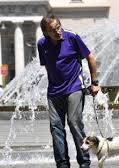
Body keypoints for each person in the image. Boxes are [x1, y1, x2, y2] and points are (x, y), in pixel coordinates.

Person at [37, 14, 100, 168]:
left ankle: (84, 163)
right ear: (46, 32)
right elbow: (49, 66)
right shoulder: (41, 44)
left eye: (59, 27)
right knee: (56, 129)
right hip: (54, 93)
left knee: (74, 123)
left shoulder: (72, 37)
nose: (58, 31)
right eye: (53, 30)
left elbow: (90, 57)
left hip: (74, 88)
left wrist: (94, 82)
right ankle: (62, 164)